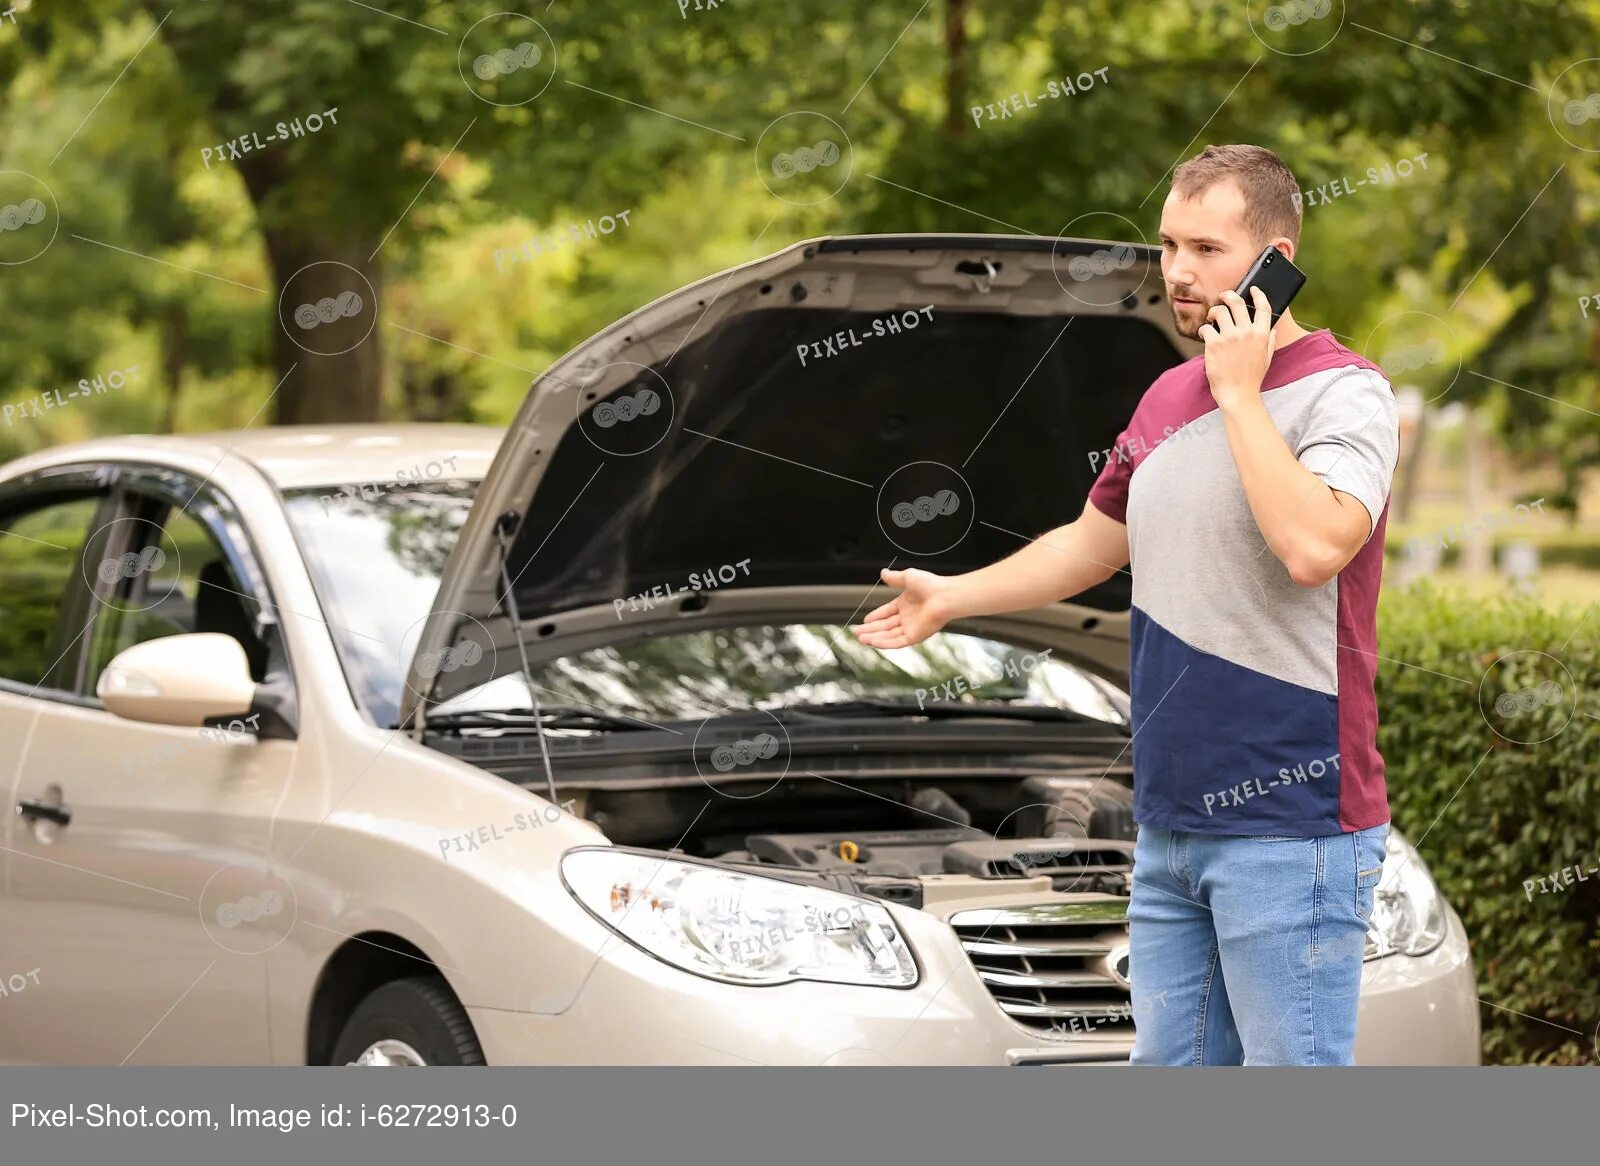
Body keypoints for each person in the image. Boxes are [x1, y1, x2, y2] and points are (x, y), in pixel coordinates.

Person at [851, 143, 1399, 1066]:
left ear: (1279, 255)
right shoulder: (1165, 394)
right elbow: (1089, 543)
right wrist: (953, 595)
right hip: (1168, 826)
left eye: (1209, 250)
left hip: (1291, 825)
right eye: (1168, 246)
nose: (1178, 274)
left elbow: (1315, 546)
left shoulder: (1346, 393)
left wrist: (1241, 395)